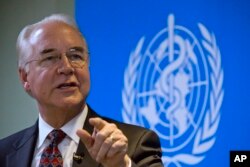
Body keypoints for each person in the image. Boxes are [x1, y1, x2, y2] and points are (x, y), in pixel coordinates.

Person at [0, 14, 163, 167]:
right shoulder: (5, 153)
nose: (67, 67)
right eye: (50, 58)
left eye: (76, 56)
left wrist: (120, 164)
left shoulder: (133, 144)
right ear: (25, 77)